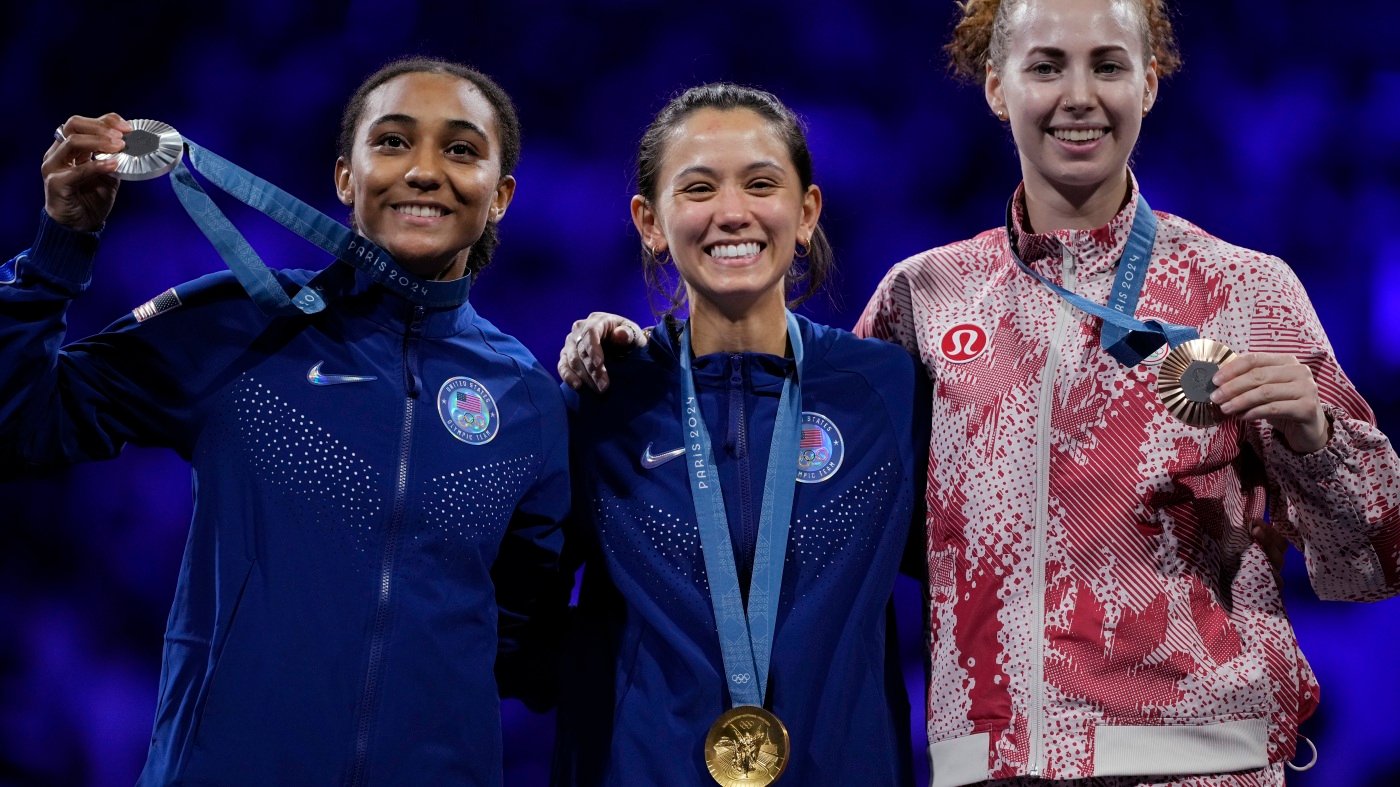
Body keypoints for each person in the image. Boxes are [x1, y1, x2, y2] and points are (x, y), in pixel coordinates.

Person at [557, 2, 1400, 785]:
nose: (1078, 96)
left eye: (1108, 65)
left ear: (1149, 80)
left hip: (1198, 765)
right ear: (997, 86)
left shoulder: (1245, 290)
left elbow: (1373, 561)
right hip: (986, 767)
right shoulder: (924, 296)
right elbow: (790, 486)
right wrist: (651, 364)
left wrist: (1313, 434)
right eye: (1045, 67)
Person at [0, 57, 568, 785]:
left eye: (461, 149)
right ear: (344, 178)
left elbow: (523, 643)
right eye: (392, 142)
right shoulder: (240, 325)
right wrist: (59, 249)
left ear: (501, 196)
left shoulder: (530, 401)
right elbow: (19, 423)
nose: (425, 170)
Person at [550, 83, 925, 785]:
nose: (732, 213)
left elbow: (976, 572)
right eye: (697, 188)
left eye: (761, 184)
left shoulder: (886, 391)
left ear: (806, 211)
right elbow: (523, 617)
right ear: (650, 221)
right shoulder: (603, 400)